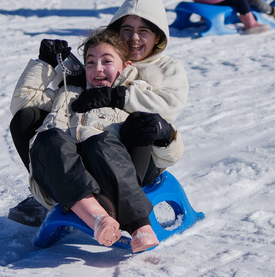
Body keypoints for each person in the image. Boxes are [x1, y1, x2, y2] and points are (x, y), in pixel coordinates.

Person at [7, 0, 189, 228]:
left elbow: (167, 108)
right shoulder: (104, 63)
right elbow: (78, 93)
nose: (134, 38)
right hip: (88, 144)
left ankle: (120, 202)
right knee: (28, 118)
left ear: (158, 37)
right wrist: (51, 62)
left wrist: (117, 96)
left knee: (138, 125)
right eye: (126, 30)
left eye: (143, 30)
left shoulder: (166, 68)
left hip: (136, 155)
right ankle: (56, 187)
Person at [13, 29, 172, 253]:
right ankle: (97, 218)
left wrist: (161, 131)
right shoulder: (67, 93)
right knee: (49, 138)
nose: (97, 68)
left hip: (112, 177)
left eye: (107, 61)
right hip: (62, 179)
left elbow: (157, 118)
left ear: (125, 66)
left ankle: (140, 226)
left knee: (100, 142)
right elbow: (23, 104)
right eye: (90, 62)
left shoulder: (133, 94)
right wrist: (45, 62)